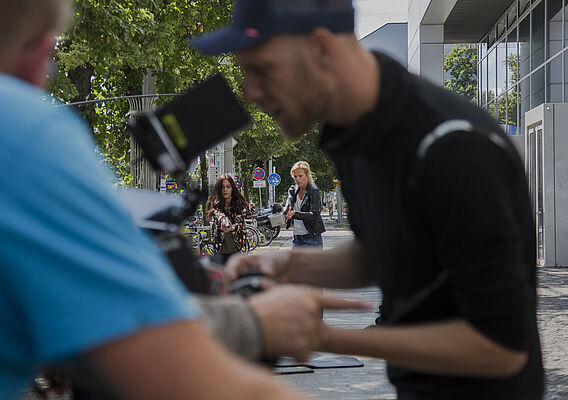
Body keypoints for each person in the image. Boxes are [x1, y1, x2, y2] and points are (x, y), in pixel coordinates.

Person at [0, 1, 371, 399]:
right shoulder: (21, 132)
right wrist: (255, 323)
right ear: (40, 47)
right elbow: (170, 364)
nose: (250, 93)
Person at [191, 0, 544, 398]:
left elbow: (502, 349)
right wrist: (286, 263)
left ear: (322, 49)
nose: (250, 93)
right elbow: (377, 251)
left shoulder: (454, 148)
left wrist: (324, 337)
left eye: (262, 70)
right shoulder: (354, 133)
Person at [206, 174, 249, 264]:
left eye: (228, 187)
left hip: (238, 250)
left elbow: (240, 222)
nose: (225, 190)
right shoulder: (214, 205)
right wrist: (222, 219)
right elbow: (217, 214)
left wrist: (232, 228)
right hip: (219, 251)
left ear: (232, 188)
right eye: (222, 187)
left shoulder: (240, 204)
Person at [283, 161, 325, 248]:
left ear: (307, 175)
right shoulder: (292, 190)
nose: (297, 179)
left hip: (312, 239)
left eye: (300, 176)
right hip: (296, 239)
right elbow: (289, 203)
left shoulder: (314, 192)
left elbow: (315, 215)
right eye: (295, 176)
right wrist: (286, 211)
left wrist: (295, 214)